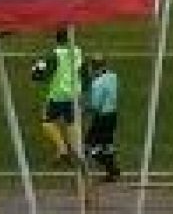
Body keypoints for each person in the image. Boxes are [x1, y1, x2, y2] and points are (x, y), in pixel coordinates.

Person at [32, 28, 83, 166]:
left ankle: (62, 149)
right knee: (70, 122)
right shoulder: (78, 51)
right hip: (74, 94)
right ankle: (76, 151)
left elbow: (41, 74)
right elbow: (81, 69)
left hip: (58, 94)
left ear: (57, 39)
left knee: (47, 121)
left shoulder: (55, 54)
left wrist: (36, 71)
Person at [85, 55, 120, 182]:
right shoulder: (113, 76)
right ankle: (112, 172)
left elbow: (95, 105)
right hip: (112, 115)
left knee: (90, 146)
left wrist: (82, 108)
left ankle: (112, 169)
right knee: (107, 145)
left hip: (102, 118)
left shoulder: (97, 83)